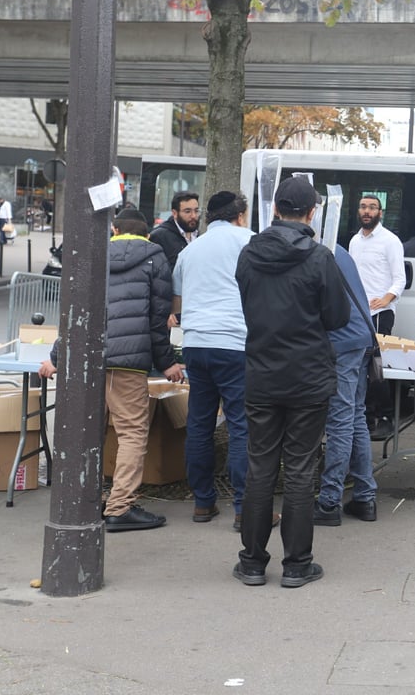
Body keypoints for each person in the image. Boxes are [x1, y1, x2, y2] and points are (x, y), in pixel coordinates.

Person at [234, 176, 349, 588]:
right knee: (300, 469)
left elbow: (248, 304)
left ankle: (251, 561)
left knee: (260, 466)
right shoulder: (319, 258)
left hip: (262, 373)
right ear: (312, 213)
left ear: (276, 210)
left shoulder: (249, 254)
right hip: (308, 377)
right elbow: (337, 317)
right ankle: (297, 565)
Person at [40, 209, 185, 531]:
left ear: (115, 229)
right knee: (132, 433)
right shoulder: (156, 259)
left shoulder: (95, 258)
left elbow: (74, 314)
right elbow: (157, 320)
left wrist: (57, 358)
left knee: (87, 431)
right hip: (130, 364)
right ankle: (120, 507)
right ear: (147, 233)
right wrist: (167, 362)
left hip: (89, 362)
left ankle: (79, 500)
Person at [173, 191, 254, 531]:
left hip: (196, 343)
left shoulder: (190, 250)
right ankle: (243, 507)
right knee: (240, 425)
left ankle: (203, 503)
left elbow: (177, 304)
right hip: (235, 343)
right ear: (239, 216)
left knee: (200, 425)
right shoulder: (249, 241)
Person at [312, 243, 378, 528]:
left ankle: (329, 501)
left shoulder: (316, 249)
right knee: (354, 416)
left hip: (342, 342)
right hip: (360, 338)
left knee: (340, 420)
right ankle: (364, 497)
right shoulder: (336, 249)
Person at [347, 194, 405, 440]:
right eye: (363, 207)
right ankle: (365, 417)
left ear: (380, 213)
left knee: (378, 368)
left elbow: (400, 278)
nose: (367, 211)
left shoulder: (390, 241)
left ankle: (385, 417)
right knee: (359, 366)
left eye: (372, 207)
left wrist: (386, 299)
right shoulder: (354, 241)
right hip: (357, 313)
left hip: (380, 313)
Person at [148, 191, 200, 269]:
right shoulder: (160, 236)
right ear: (175, 213)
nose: (193, 216)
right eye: (187, 211)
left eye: (196, 211)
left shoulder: (199, 236)